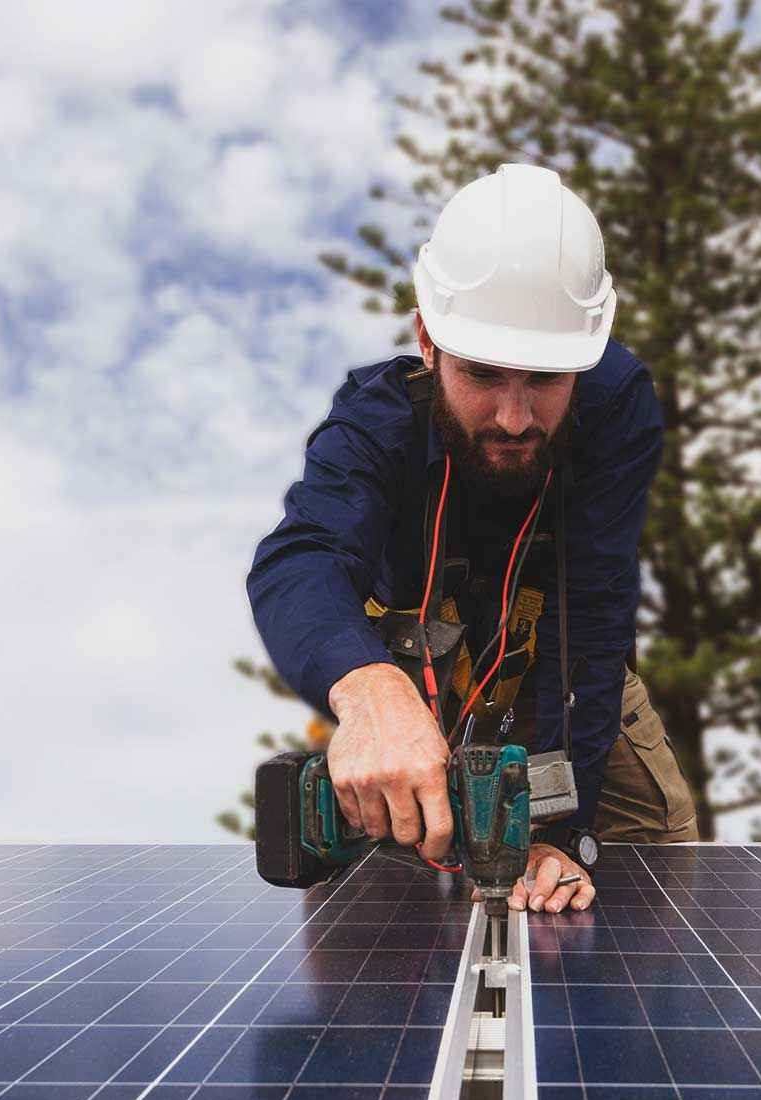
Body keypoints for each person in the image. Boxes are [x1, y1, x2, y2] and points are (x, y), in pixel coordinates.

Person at [248, 163, 697, 914]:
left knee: (664, 893)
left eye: (546, 379)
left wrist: (566, 826)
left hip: (569, 677)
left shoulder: (617, 406)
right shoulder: (373, 427)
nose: (515, 418)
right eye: (484, 373)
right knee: (376, 919)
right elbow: (303, 558)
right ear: (429, 341)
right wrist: (370, 694)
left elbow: (591, 615)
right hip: (419, 685)